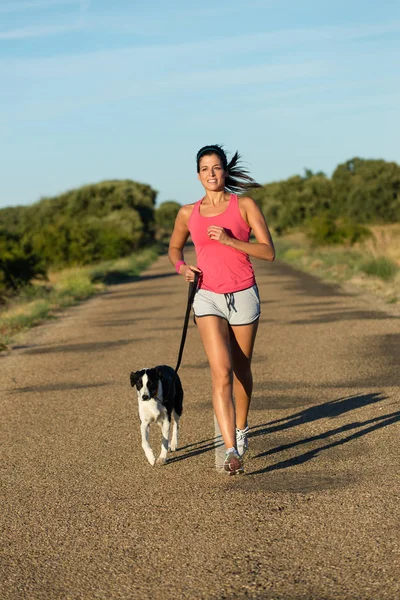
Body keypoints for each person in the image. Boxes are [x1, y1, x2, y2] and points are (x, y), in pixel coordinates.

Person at [168, 144, 275, 475]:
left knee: (242, 369)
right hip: (207, 296)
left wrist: (231, 241)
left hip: (243, 294)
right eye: (204, 169)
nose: (211, 174)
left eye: (216, 168)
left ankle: (241, 428)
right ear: (197, 174)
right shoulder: (189, 212)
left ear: (225, 170)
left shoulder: (244, 205)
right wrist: (181, 267)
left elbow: (268, 251)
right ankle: (231, 449)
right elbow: (174, 247)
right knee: (221, 371)